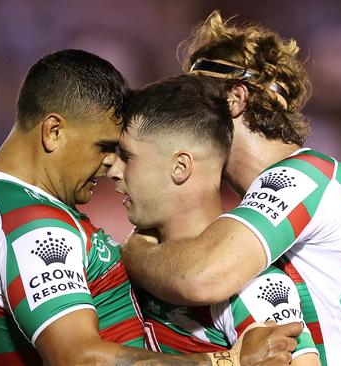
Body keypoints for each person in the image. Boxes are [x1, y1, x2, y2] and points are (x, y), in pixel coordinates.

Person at [0, 49, 302, 366]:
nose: (110, 166)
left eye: (123, 154)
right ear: (53, 131)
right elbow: (79, 359)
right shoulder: (33, 225)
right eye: (104, 147)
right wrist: (222, 363)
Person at [121, 11, 341, 366]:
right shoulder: (305, 181)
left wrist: (134, 251)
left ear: (235, 99)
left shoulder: (304, 177)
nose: (183, 117)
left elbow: (202, 277)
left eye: (196, 99)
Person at [107, 74, 320, 366]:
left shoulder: (251, 288)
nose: (113, 170)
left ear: (180, 166)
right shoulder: (125, 260)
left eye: (127, 157)